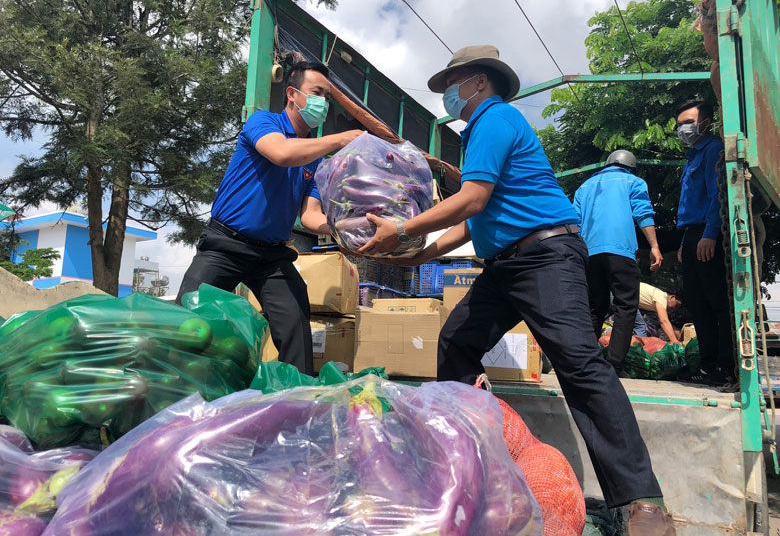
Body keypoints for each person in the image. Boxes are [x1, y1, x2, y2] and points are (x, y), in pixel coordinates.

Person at [360, 45, 675, 535]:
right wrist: (419, 254)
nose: (448, 96)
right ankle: (472, 457)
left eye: (452, 84)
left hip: (545, 257)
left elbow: (471, 199)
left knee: (579, 363)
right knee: (456, 342)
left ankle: (641, 502)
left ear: (479, 83)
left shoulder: (495, 120)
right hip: (505, 265)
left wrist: (402, 231)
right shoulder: (479, 136)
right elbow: (474, 219)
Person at [175, 61, 362, 375]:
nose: (323, 103)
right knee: (185, 320)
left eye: (327, 97)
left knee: (295, 325)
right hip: (225, 244)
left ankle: (295, 398)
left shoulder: (314, 161)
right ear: (292, 93)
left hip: (271, 257)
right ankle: (166, 391)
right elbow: (282, 154)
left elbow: (310, 216)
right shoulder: (263, 122)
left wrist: (345, 232)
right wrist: (340, 140)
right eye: (317, 93)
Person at [573, 149, 663, 376]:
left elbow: (575, 222)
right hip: (620, 253)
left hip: (590, 253)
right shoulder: (633, 181)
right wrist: (654, 246)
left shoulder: (585, 187)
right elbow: (643, 213)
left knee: (594, 308)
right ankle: (613, 365)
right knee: (626, 308)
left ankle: (582, 363)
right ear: (631, 167)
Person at [674, 99, 734, 386]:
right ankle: (708, 366)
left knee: (717, 302)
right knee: (697, 304)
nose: (682, 129)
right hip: (692, 235)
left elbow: (717, 196)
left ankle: (727, 366)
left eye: (687, 122)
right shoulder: (691, 158)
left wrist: (711, 233)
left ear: (706, 122)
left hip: (709, 232)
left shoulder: (714, 151)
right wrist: (687, 241)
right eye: (679, 125)